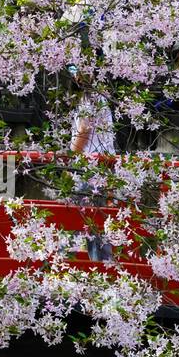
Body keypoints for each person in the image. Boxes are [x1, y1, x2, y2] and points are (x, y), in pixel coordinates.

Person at [70, 69, 114, 262]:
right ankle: (105, 265)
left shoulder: (89, 101)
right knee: (100, 220)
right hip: (105, 164)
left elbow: (83, 133)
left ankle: (95, 265)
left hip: (90, 166)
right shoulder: (100, 97)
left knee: (88, 220)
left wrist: (69, 156)